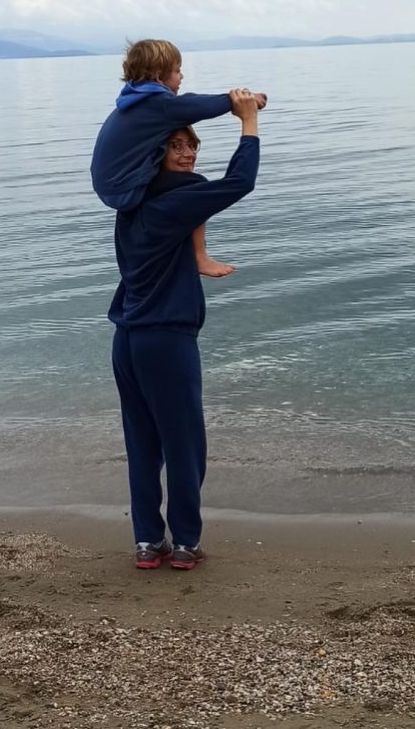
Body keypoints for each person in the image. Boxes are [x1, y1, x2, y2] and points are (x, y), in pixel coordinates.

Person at [109, 89, 260, 570]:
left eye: (192, 144)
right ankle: (185, 542)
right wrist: (248, 122)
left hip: (127, 340)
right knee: (184, 446)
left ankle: (147, 541)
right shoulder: (176, 200)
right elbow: (239, 182)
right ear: (157, 153)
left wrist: (197, 255)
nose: (188, 152)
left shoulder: (130, 203)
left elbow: (194, 211)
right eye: (176, 145)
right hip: (165, 340)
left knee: (143, 445)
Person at [91, 38, 266, 277]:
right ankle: (200, 256)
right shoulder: (156, 104)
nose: (181, 76)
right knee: (193, 184)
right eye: (177, 70)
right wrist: (241, 101)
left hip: (114, 189)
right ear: (158, 76)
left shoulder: (129, 105)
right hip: (127, 187)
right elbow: (194, 106)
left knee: (187, 185)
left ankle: (198, 255)